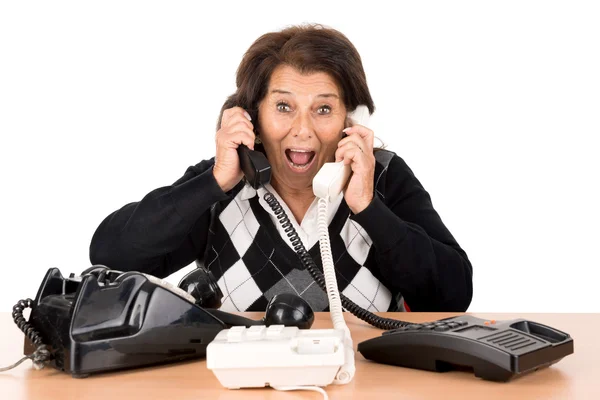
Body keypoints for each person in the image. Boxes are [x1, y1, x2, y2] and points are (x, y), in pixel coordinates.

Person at [89, 23, 473, 313]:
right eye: (284, 107)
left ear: (348, 119)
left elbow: (454, 294)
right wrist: (212, 183)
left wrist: (369, 208)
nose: (303, 130)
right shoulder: (222, 182)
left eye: (323, 109)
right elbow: (111, 255)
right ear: (251, 115)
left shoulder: (382, 176)